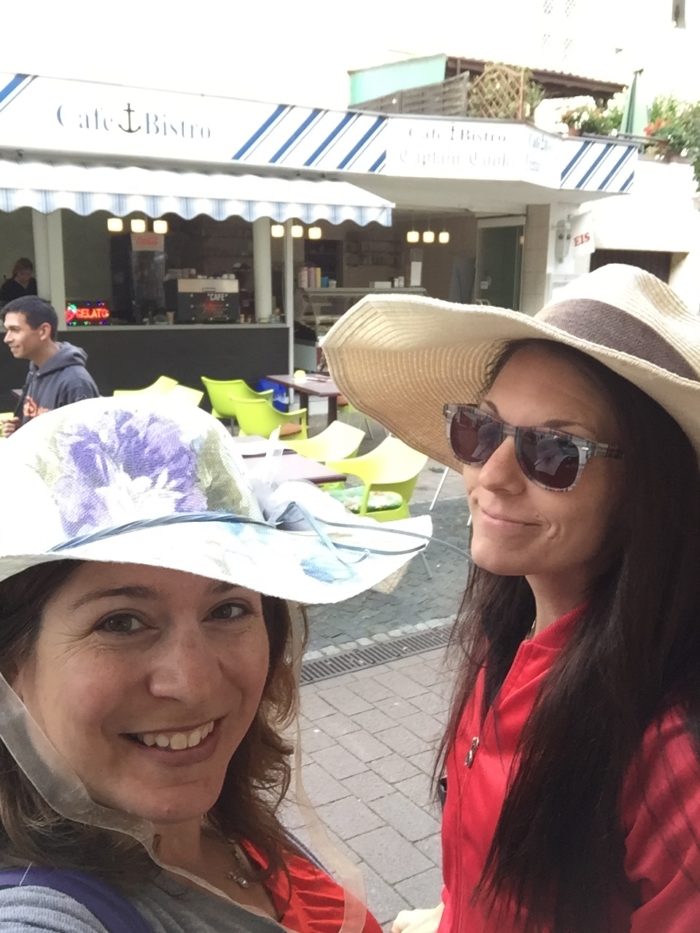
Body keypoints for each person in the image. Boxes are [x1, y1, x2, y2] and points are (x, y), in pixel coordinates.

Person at [323, 264, 700, 932]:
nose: (491, 475)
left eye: (554, 451)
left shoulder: (672, 755)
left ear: (649, 488)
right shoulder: (508, 633)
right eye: (482, 429)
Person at [0, 396, 430, 931]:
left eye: (227, 610)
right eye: (122, 623)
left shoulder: (220, 818)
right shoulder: (42, 914)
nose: (195, 683)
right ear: (11, 664)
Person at [1, 295, 99, 435]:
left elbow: (85, 442)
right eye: (7, 330)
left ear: (43, 331)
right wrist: (20, 433)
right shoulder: (35, 372)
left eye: (15, 330)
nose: (7, 338)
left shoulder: (75, 382)